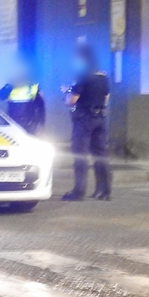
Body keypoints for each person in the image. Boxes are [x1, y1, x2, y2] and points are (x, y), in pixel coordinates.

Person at [63, 45, 111, 201]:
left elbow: (72, 100)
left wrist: (67, 93)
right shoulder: (103, 76)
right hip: (101, 118)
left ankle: (78, 192)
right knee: (101, 155)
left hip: (84, 119)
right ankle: (104, 191)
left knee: (80, 156)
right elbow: (106, 98)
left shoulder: (83, 75)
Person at [0, 60, 46, 135]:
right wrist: (10, 87)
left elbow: (40, 107)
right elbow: (1, 96)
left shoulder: (33, 87)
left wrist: (41, 123)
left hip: (29, 122)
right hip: (13, 121)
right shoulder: (10, 86)